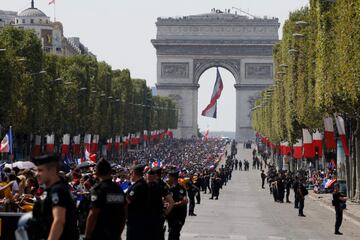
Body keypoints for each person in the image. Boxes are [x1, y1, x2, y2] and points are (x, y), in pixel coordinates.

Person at [31, 155, 79, 240]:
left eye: (40, 170)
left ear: (52, 170)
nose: (37, 174)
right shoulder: (52, 190)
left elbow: (59, 221)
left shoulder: (57, 190)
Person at [84, 158, 126, 240]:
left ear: (97, 172)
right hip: (114, 234)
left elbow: (93, 214)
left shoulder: (98, 190)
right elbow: (123, 213)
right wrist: (119, 234)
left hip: (99, 234)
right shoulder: (118, 189)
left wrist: (87, 236)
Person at [146, 167, 174, 240]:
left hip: (149, 216)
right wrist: (165, 213)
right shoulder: (161, 186)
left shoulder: (142, 186)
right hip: (157, 215)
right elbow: (171, 201)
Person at [126, 164, 150, 240]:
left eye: (131, 172)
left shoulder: (138, 186)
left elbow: (128, 201)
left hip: (135, 219)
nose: (130, 175)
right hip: (141, 218)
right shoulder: (142, 184)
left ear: (134, 173)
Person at [166, 170, 188, 240]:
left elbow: (184, 201)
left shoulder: (180, 189)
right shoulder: (168, 188)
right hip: (171, 216)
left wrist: (173, 204)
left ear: (172, 178)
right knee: (174, 234)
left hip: (178, 216)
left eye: (169, 177)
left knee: (173, 235)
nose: (167, 178)